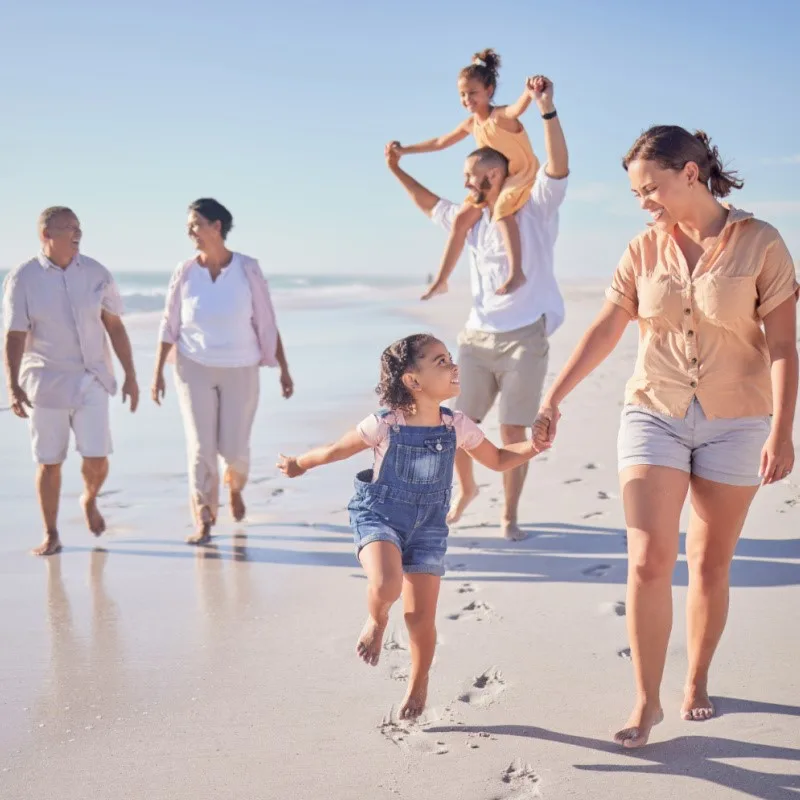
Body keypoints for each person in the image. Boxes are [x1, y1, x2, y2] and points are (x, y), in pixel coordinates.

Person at [533, 125, 798, 748]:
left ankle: (697, 680)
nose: (644, 200)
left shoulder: (761, 242)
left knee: (709, 563)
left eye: (650, 187)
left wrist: (782, 432)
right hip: (654, 409)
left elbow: (784, 346)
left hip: (739, 419)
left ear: (689, 172)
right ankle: (646, 699)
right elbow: (607, 325)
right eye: (635, 192)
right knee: (650, 560)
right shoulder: (642, 249)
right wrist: (553, 396)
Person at [277, 334, 547, 719]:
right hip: (379, 516)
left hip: (428, 529)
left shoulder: (457, 425)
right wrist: (299, 463)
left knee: (420, 619)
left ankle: (418, 682)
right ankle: (376, 617)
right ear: (413, 381)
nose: (454, 367)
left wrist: (534, 446)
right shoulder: (385, 423)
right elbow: (335, 450)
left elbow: (501, 458)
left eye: (451, 359)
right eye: (440, 362)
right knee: (386, 585)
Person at [385, 75, 568, 541]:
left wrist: (546, 109)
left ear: (494, 173)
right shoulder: (470, 218)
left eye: (470, 175)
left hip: (526, 337)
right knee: (454, 426)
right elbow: (425, 202)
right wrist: (396, 168)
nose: (464, 184)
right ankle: (466, 491)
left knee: (513, 431)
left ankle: (510, 516)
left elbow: (557, 166)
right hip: (476, 339)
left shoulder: (534, 208)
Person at [152, 198, 294, 545]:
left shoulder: (247, 269)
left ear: (217, 227)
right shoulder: (184, 271)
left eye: (196, 224)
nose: (190, 231)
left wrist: (283, 370)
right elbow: (169, 322)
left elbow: (266, 321)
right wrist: (156, 372)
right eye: (189, 226)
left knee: (234, 449)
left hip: (241, 367)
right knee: (201, 447)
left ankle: (235, 486)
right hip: (192, 366)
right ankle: (203, 518)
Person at [3, 206, 139, 556]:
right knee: (49, 461)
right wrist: (12, 386)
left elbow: (115, 326)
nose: (78, 233)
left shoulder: (96, 273)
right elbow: (15, 335)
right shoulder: (23, 278)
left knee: (97, 457)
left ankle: (89, 498)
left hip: (92, 378)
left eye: (79, 227)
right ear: (46, 235)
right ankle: (51, 533)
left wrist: (131, 376)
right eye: (69, 228)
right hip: (45, 381)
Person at [391, 49, 542, 299]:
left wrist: (529, 92)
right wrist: (404, 151)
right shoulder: (472, 124)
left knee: (502, 208)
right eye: (462, 94)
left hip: (519, 175)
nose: (466, 98)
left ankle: (516, 273)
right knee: (461, 221)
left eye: (472, 92)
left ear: (489, 91)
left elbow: (517, 109)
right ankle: (441, 280)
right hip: (493, 179)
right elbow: (440, 142)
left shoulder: (499, 117)